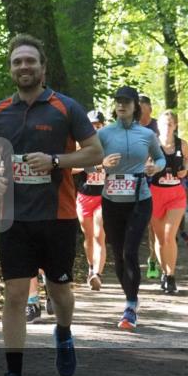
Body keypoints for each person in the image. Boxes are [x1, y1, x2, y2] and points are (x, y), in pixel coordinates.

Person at [0, 34, 102, 376]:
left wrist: (55, 161)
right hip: (13, 218)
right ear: (11, 69)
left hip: (57, 217)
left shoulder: (66, 108)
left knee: (60, 291)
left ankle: (63, 332)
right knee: (15, 295)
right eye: (17, 62)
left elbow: (95, 153)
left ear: (42, 67)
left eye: (30, 61)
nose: (24, 67)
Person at [96, 86, 165, 329]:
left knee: (130, 251)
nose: (121, 105)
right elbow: (87, 161)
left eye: (126, 102)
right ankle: (130, 298)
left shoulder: (147, 134)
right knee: (118, 254)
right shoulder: (104, 134)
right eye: (118, 101)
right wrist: (102, 163)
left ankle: (130, 306)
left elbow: (161, 158)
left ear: (136, 106)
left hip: (139, 200)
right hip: (111, 201)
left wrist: (155, 168)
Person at [150, 111, 188, 294]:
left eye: (170, 124)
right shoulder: (152, 143)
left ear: (175, 126)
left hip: (175, 194)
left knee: (169, 235)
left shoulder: (182, 144)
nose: (166, 127)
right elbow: (143, 165)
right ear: (158, 126)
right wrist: (149, 168)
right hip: (155, 194)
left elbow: (186, 161)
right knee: (160, 239)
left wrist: (185, 170)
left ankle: (172, 276)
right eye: (164, 124)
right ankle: (165, 273)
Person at [76, 110, 108, 291]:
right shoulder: (80, 146)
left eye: (98, 125)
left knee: (99, 234)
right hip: (84, 196)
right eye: (92, 126)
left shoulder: (110, 145)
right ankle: (91, 267)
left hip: (104, 196)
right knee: (88, 236)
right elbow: (68, 168)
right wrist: (87, 165)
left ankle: (98, 273)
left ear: (103, 126)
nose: (95, 129)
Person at [138, 95, 160, 280]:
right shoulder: (127, 126)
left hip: (154, 179)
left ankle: (153, 258)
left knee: (152, 223)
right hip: (130, 179)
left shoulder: (159, 127)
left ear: (150, 110)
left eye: (142, 110)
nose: (139, 113)